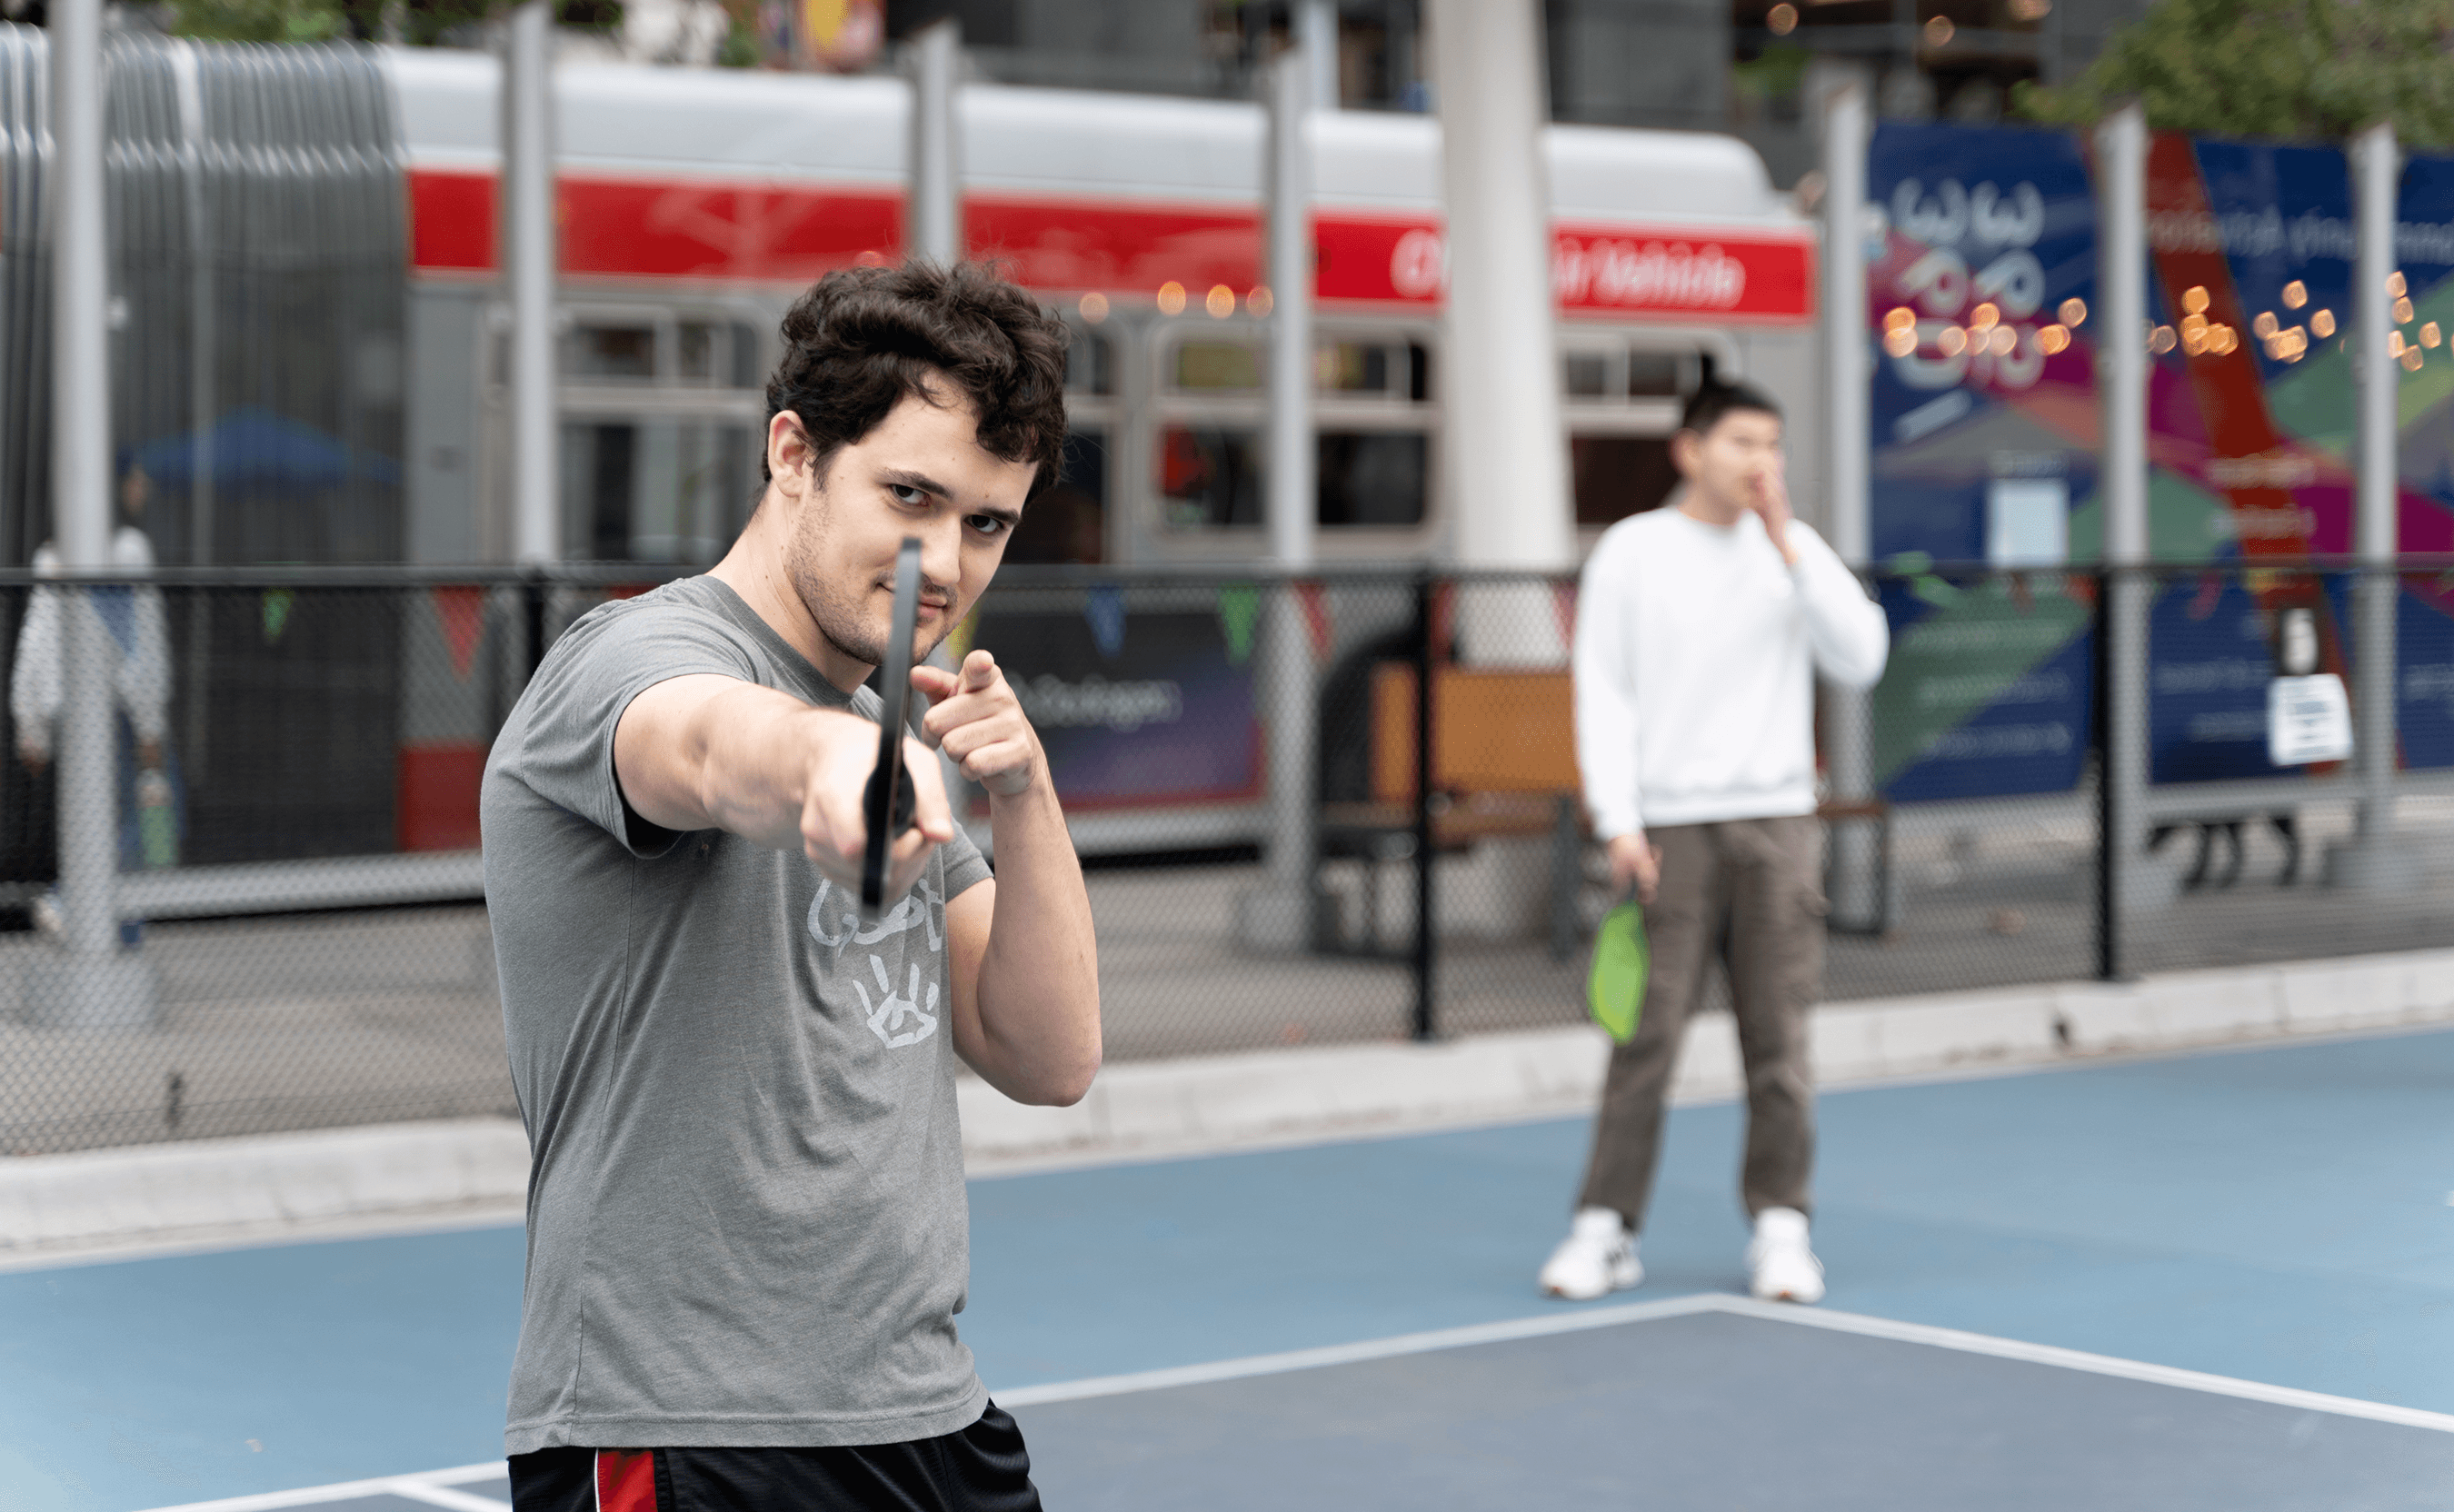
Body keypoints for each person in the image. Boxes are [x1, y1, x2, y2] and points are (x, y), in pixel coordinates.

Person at [484, 262, 1100, 1512]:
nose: (946, 556)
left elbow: (1050, 1057)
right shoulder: (632, 659)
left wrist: (1024, 794)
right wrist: (828, 759)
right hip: (691, 1429)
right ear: (794, 456)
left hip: (928, 1419)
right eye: (910, 496)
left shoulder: (894, 721)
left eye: (986, 523)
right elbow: (710, 747)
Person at [1541, 376, 1888, 1306]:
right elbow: (1603, 691)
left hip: (1777, 825)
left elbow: (1862, 655)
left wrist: (1791, 546)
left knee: (1780, 1041)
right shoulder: (1633, 552)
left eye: (1771, 445)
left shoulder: (1792, 551)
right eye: (1741, 442)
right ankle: (1603, 1228)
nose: (1760, 462)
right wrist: (1618, 819)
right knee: (1644, 1040)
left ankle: (1783, 1227)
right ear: (1689, 448)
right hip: (1669, 829)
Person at [13, 461, 178, 918]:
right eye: (135, 478)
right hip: (118, 711)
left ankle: (104, 918)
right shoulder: (127, 549)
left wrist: (31, 722)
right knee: (152, 819)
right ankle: (87, 910)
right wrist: (150, 724)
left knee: (95, 821)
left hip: (69, 711)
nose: (144, 487)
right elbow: (138, 642)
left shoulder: (53, 553)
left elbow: (37, 641)